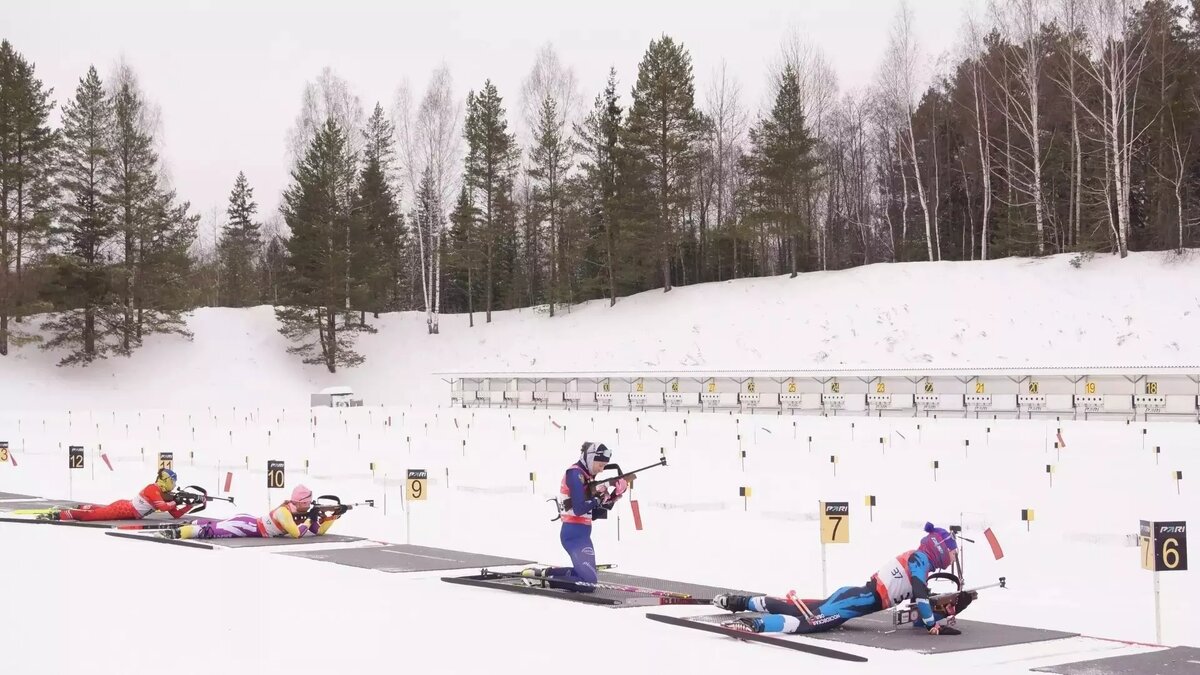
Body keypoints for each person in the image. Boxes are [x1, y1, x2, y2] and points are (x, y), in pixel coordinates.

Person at [713, 522, 969, 636]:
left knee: (794, 607)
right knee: (806, 624)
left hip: (854, 596)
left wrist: (938, 613)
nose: (952, 557)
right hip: (856, 601)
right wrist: (932, 626)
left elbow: (918, 602)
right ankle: (754, 625)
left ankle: (739, 602)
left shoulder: (919, 560)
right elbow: (920, 595)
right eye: (952, 552)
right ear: (940, 549)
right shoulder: (920, 561)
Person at [525, 442, 630, 592]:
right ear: (591, 458)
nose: (601, 470)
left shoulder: (587, 477)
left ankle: (545, 574)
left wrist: (614, 495)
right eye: (600, 465)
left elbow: (595, 513)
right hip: (573, 534)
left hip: (583, 534)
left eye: (604, 466)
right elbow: (579, 508)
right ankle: (543, 581)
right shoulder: (575, 474)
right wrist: (599, 497)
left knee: (584, 576)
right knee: (589, 583)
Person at [164, 485, 337, 540]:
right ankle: (178, 533)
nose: (310, 506)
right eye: (308, 503)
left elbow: (318, 531)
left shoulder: (300, 512)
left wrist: (333, 517)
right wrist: (309, 519)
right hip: (248, 526)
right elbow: (296, 534)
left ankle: (187, 524)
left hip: (250, 522)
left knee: (217, 525)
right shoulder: (284, 512)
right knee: (211, 532)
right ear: (302, 502)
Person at [43, 469, 201, 522]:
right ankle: (60, 515)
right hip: (124, 510)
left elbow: (175, 514)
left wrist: (191, 504)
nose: (174, 484)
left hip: (127, 509)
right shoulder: (152, 489)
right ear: (165, 480)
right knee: (91, 517)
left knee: (100, 511)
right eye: (172, 481)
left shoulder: (165, 494)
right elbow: (163, 507)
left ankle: (83, 506)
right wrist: (176, 501)